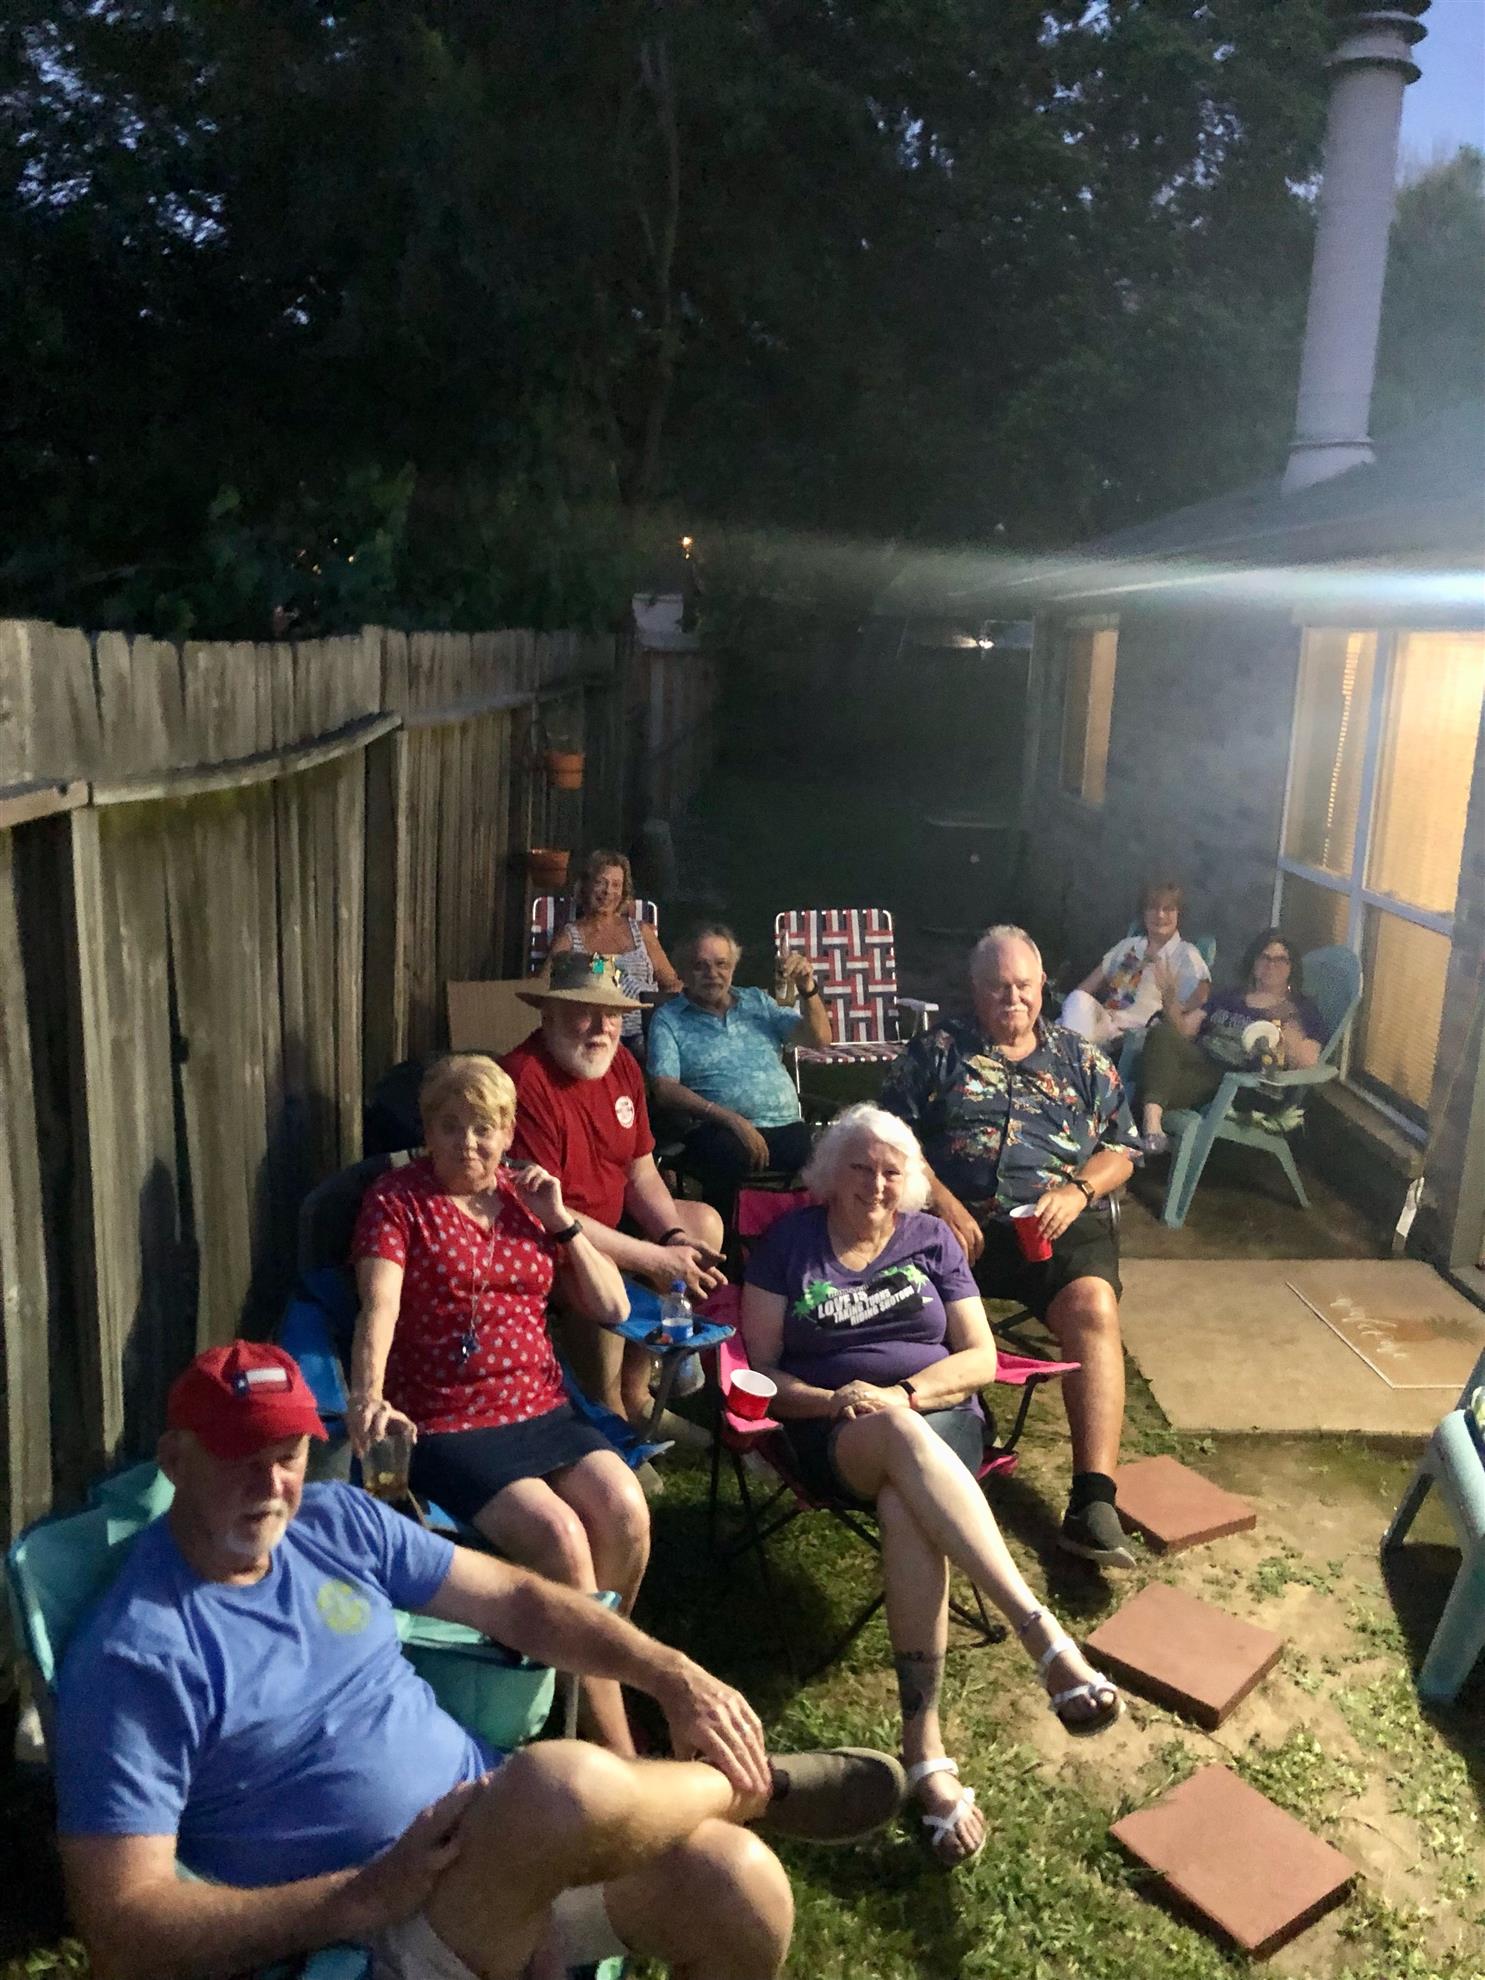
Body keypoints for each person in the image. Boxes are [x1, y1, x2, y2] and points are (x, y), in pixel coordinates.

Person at [53, 1341, 906, 1980]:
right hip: (370, 1937)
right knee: (558, 1785)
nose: (271, 1485)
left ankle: (722, 1803)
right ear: (176, 1461)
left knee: (740, 1888)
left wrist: (670, 1674)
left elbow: (520, 1602)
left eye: (286, 1455)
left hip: (509, 1856)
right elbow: (124, 1930)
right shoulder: (138, 1657)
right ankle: (747, 1788)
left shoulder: (332, 1522)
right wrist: (361, 1896)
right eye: (240, 1459)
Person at [741, 1106, 1121, 1868]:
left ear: (910, 1180)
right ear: (829, 1174)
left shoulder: (931, 1239)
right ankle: (1041, 1639)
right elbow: (760, 1372)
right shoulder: (789, 1244)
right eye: (859, 1167)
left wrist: (907, 1396)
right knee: (896, 1444)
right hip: (835, 1431)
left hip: (940, 1418)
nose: (876, 1184)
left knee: (905, 1492)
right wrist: (835, 1401)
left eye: (892, 1171)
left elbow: (978, 1357)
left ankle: (923, 1751)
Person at [348, 1052, 647, 1757]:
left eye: (484, 1128)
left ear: (508, 1132)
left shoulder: (527, 1199)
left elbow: (613, 1308)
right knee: (562, 1538)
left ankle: (589, 1675)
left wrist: (562, 1223)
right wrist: (367, 1394)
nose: (468, 1144)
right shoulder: (397, 1201)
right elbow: (378, 1306)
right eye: (449, 1126)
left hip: (543, 1406)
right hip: (448, 1418)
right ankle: (616, 1749)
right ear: (427, 1131)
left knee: (627, 1512)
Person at [879, 925, 1141, 1568]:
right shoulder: (936, 1054)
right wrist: (938, 1199)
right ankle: (945, 1434)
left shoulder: (1082, 1060)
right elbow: (887, 1136)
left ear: (1042, 984)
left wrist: (1079, 1190)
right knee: (912, 1306)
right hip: (953, 1227)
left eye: (1024, 985)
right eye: (998, 988)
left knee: (1093, 1307)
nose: (1013, 998)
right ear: (975, 990)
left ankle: (1093, 1502)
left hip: (1053, 1223)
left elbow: (1124, 1148)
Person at [501, 952, 726, 1426]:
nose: (602, 1027)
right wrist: (655, 1259)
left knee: (701, 1225)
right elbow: (546, 1213)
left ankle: (638, 1391)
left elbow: (641, 1171)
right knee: (599, 1276)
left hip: (608, 1219)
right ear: (548, 1014)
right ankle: (609, 1412)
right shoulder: (525, 1078)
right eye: (585, 1012)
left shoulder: (620, 1062)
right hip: (547, 1237)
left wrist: (672, 1240)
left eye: (613, 1014)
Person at [647, 924, 831, 1213]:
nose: (712, 973)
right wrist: (731, 1119)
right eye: (700, 966)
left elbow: (819, 1038)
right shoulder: (670, 1019)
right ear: (682, 971)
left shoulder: (758, 1002)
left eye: (721, 964)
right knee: (727, 1157)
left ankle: (804, 1236)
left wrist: (808, 988)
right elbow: (664, 1088)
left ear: (733, 967)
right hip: (718, 1131)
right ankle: (727, 1239)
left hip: (788, 1128)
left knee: (832, 1157)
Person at [1137, 928, 1325, 1153]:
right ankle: (1152, 1128)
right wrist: (1169, 997)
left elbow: (1308, 1062)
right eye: (1264, 957)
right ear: (1253, 962)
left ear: (1292, 966)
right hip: (1200, 1063)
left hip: (1234, 1084)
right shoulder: (1231, 996)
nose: (1271, 965)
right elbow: (1185, 1030)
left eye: (1280, 959)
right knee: (1161, 1034)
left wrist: (1289, 1024)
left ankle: (1149, 1127)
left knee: (1144, 1086)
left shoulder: (1303, 1009)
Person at [546, 848, 682, 1054]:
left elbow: (671, 982)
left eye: (616, 885)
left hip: (647, 1032)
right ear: (586, 886)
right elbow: (544, 984)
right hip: (598, 1032)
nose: (608, 891)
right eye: (601, 882)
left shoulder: (641, 931)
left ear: (623, 892)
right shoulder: (571, 936)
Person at [1059, 877, 1210, 1048]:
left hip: (1134, 1036)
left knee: (1067, 1038)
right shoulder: (1128, 945)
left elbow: (1201, 1000)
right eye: (1153, 908)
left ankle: (1070, 1052)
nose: (1160, 915)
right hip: (1104, 1022)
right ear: (1144, 913)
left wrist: (1173, 1002)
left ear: (1179, 914)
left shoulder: (1185, 954)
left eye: (1168, 909)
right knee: (1077, 999)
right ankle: (1072, 1051)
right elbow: (1085, 988)